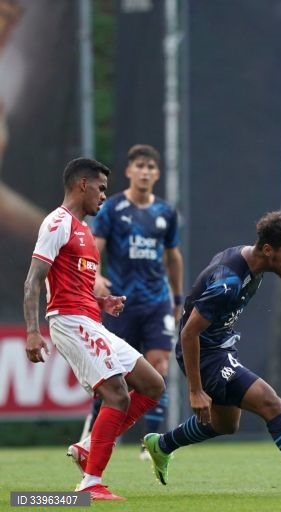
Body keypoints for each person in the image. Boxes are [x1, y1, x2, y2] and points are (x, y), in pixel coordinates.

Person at [140, 211, 281, 497]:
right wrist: (195, 390)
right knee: (270, 403)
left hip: (218, 347)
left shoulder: (248, 260)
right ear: (268, 250)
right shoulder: (227, 283)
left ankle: (163, 444)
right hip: (205, 354)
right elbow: (189, 334)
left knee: (225, 424)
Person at [23, 157, 165, 501]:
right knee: (117, 394)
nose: (104, 195)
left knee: (152, 385)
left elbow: (72, 284)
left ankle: (89, 448)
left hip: (89, 317)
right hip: (69, 321)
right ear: (81, 184)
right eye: (101, 188)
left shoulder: (84, 230)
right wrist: (32, 331)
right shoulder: (57, 223)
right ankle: (90, 484)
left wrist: (102, 302)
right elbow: (33, 282)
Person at [86, 144, 184, 459]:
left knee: (159, 366)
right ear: (129, 171)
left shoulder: (165, 213)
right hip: (120, 302)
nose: (144, 172)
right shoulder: (112, 209)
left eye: (150, 167)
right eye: (139, 166)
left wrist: (177, 297)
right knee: (111, 372)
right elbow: (94, 247)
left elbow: (173, 257)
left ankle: (149, 444)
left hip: (156, 301)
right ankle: (95, 432)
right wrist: (97, 277)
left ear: (157, 173)